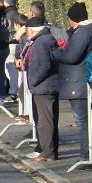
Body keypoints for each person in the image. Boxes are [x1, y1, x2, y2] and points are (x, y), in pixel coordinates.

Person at [53, 2, 92, 161]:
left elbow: (71, 56)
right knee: (84, 120)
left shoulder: (83, 34)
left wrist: (56, 53)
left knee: (82, 121)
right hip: (80, 80)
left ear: (73, 19)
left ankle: (86, 156)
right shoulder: (89, 31)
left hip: (78, 82)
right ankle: (87, 154)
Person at [22, 17, 60, 161]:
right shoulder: (48, 38)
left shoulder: (40, 43)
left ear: (31, 30)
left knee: (44, 122)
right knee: (49, 120)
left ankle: (47, 152)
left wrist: (33, 80)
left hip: (43, 87)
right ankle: (49, 150)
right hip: (49, 85)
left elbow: (44, 65)